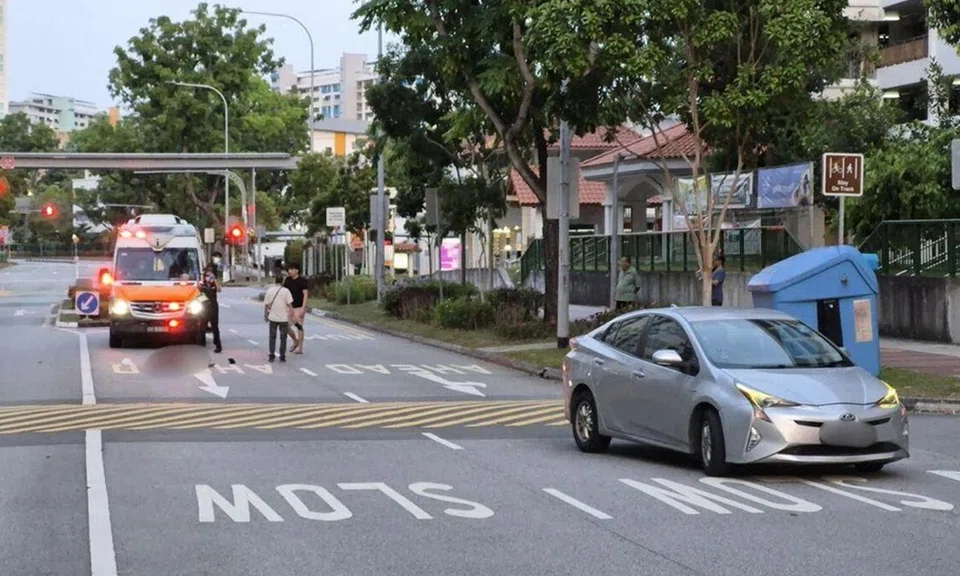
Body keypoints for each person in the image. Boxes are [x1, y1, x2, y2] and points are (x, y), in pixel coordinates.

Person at [264, 275, 294, 363]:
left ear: (275, 280)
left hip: (273, 318)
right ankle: (282, 356)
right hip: (283, 319)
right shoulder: (286, 291)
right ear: (282, 281)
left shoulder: (270, 290)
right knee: (283, 337)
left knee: (272, 337)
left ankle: (271, 355)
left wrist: (265, 315)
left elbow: (266, 305)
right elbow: (290, 305)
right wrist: (291, 315)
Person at [282, 263, 309, 354]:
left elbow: (305, 295)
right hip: (289, 307)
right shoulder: (287, 280)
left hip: (298, 307)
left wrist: (303, 308)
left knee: (299, 326)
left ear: (297, 270)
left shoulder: (302, 281)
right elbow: (284, 293)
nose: (289, 271)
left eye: (292, 269)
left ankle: (300, 348)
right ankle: (295, 340)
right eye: (289, 269)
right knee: (285, 325)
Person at [200, 263, 222, 353]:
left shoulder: (213, 282)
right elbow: (198, 290)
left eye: (210, 273)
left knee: (215, 326)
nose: (209, 275)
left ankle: (218, 345)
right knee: (202, 326)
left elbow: (219, 289)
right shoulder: (202, 281)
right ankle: (202, 345)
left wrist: (215, 280)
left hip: (213, 305)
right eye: (207, 273)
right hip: (204, 305)